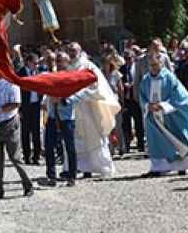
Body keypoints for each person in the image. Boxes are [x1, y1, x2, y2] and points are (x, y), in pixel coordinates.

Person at [137, 50, 188, 176]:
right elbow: (142, 96)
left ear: (161, 64)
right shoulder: (146, 80)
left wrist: (162, 105)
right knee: (156, 142)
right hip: (153, 117)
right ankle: (158, 167)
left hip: (170, 115)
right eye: (151, 65)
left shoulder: (169, 77)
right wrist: (147, 105)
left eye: (156, 65)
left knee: (178, 140)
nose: (153, 68)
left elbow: (178, 95)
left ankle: (182, 165)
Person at [67, 43, 120, 179]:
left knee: (94, 137)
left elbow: (97, 86)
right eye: (70, 51)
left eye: (74, 50)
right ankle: (78, 168)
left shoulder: (88, 66)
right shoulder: (68, 67)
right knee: (75, 139)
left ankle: (103, 167)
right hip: (72, 109)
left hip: (88, 107)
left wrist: (79, 95)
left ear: (80, 51)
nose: (71, 53)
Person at [0, 70, 34, 200]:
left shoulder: (12, 83)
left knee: (15, 157)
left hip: (9, 123)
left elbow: (16, 103)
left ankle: (27, 184)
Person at [41, 51, 78, 188]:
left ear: (67, 63)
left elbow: (77, 95)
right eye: (57, 60)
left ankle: (72, 176)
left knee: (69, 146)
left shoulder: (72, 77)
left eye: (61, 60)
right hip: (52, 115)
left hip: (66, 117)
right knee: (49, 146)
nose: (58, 62)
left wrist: (63, 100)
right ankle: (51, 176)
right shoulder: (52, 75)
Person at [17, 53, 44, 165]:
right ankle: (27, 155)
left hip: (36, 105)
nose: (36, 65)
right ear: (28, 62)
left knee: (36, 131)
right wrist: (19, 108)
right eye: (35, 63)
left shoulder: (37, 72)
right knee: (25, 132)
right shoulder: (21, 73)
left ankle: (37, 156)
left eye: (37, 63)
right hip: (25, 106)